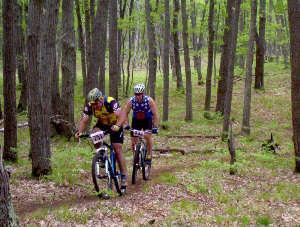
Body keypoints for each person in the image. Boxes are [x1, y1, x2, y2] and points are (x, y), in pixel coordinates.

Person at [75, 88, 127, 195]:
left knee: (117, 148)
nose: (94, 106)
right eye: (92, 104)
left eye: (96, 103)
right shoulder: (90, 106)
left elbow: (122, 115)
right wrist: (79, 132)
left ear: (101, 99)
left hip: (115, 124)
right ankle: (101, 156)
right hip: (102, 124)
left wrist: (118, 125)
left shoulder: (110, 101)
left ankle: (123, 176)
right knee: (94, 133)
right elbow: (84, 120)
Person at [123, 83, 159, 166]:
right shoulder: (131, 101)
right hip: (136, 121)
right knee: (133, 142)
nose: (138, 96)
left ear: (143, 94)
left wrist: (155, 127)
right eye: (136, 94)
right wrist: (126, 124)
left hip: (147, 120)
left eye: (139, 94)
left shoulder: (149, 100)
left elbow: (156, 114)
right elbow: (125, 113)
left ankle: (149, 155)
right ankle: (135, 157)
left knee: (148, 137)